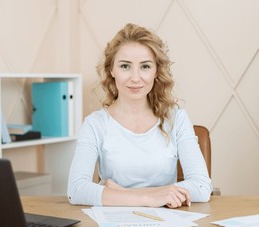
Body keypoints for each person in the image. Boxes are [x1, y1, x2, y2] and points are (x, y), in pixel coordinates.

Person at [67, 23, 212, 208]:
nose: (135, 78)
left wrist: (121, 194)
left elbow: (201, 186)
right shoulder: (95, 124)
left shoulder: (177, 118)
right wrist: (150, 198)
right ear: (112, 70)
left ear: (156, 71)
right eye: (125, 66)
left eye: (145, 66)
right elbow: (76, 190)